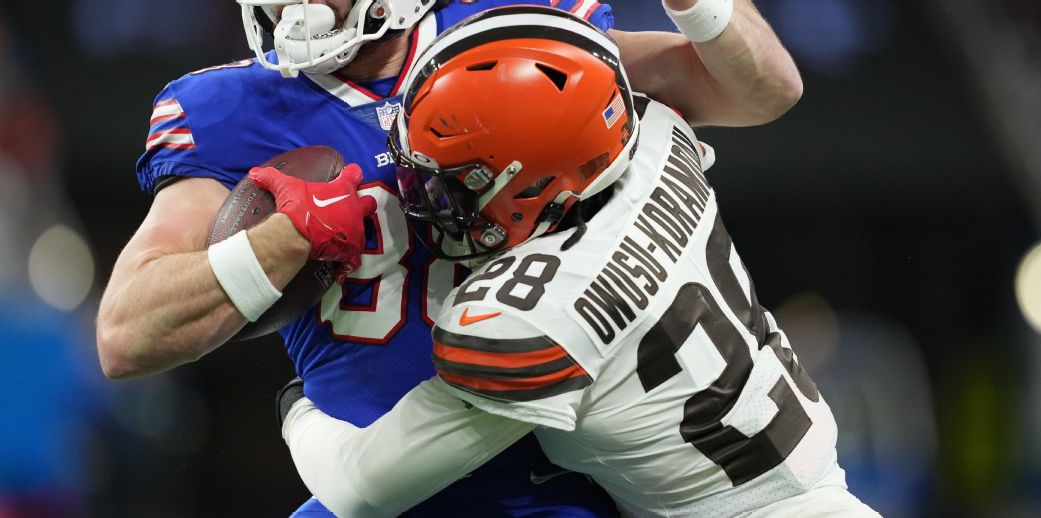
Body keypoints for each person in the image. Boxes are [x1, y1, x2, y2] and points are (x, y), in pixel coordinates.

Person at [95, 0, 802, 514]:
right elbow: (126, 335)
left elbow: (758, 89)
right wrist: (283, 240)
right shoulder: (223, 109)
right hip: (378, 467)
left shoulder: (510, 30)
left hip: (548, 474)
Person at [278, 7, 878, 517]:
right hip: (823, 489)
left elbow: (360, 488)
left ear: (527, 180)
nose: (423, 200)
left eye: (451, 183)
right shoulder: (656, 135)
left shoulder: (528, 321)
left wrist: (295, 407)